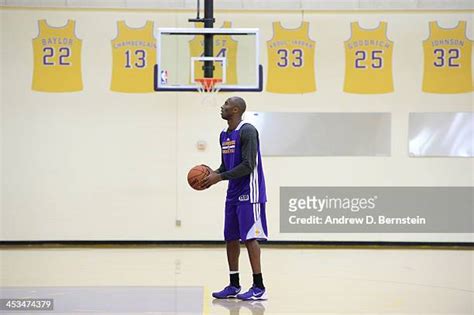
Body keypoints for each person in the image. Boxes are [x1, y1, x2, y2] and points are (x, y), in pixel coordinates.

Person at [201, 96, 268, 301]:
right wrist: (211, 174)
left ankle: (258, 286)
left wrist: (219, 177)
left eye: (227, 104)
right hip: (233, 192)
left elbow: (248, 165)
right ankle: (234, 284)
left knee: (249, 237)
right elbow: (226, 166)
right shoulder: (223, 134)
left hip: (251, 191)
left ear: (236, 110)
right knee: (230, 237)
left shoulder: (247, 130)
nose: (222, 106)